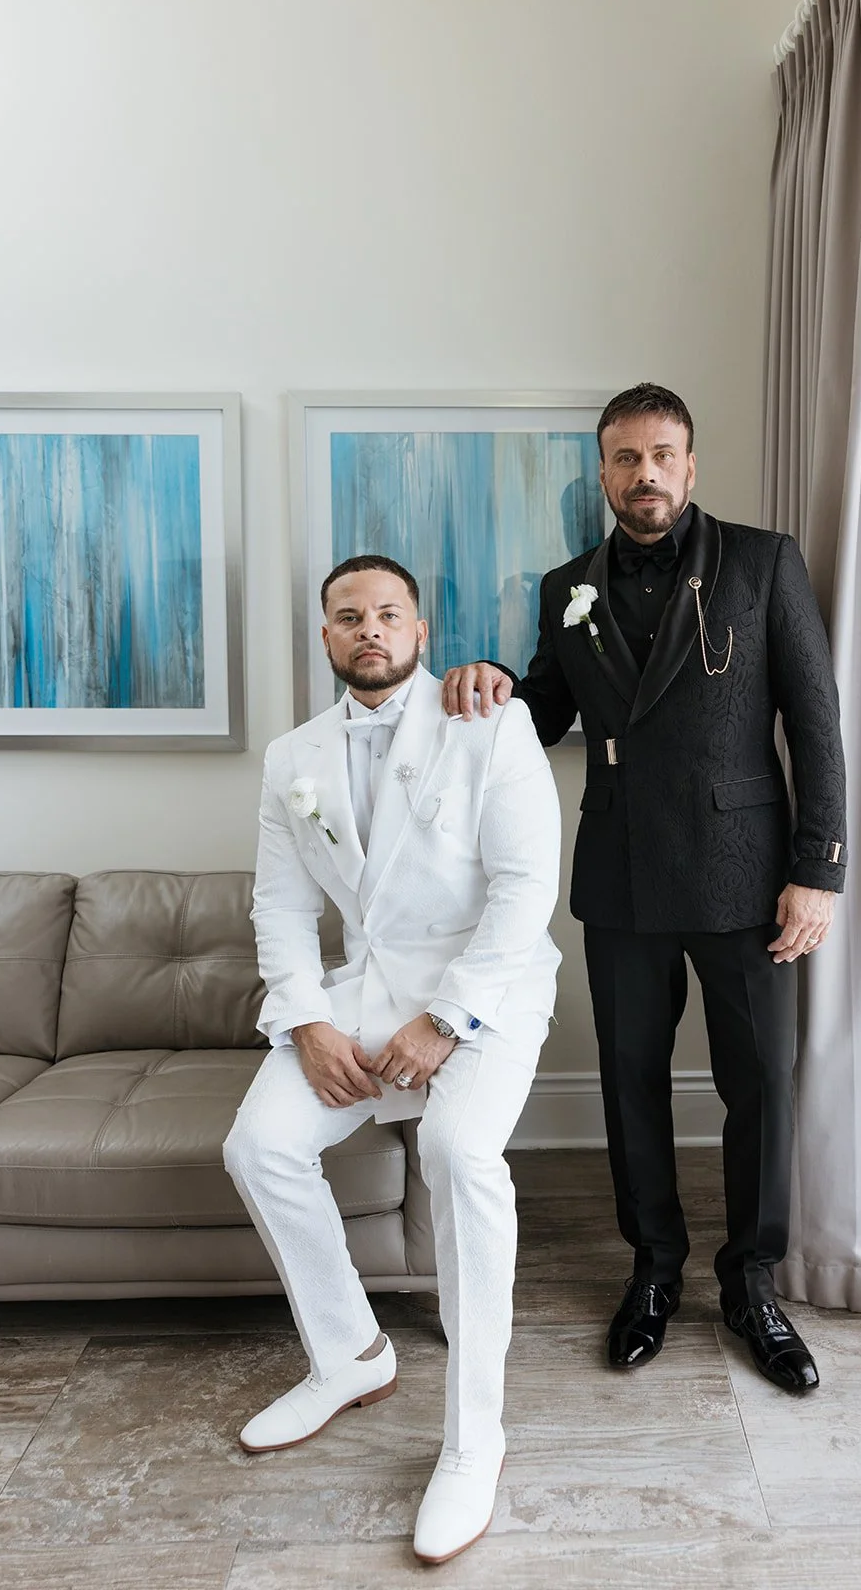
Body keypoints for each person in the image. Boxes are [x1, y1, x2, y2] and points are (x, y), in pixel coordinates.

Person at [442, 383, 846, 1395]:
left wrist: (816, 869)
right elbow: (543, 710)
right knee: (630, 1085)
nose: (644, 474)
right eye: (624, 458)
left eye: (661, 454)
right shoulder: (566, 584)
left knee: (758, 1082)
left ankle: (751, 1279)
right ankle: (653, 1268)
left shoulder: (760, 564)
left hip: (746, 879)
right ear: (603, 471)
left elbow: (814, 721)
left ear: (690, 464)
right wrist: (493, 683)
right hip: (619, 878)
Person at [224, 554, 561, 1565]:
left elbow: (522, 890)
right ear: (324, 637)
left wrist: (445, 1021)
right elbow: (280, 908)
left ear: (419, 629)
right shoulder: (292, 756)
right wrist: (303, 1021)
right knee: (259, 1144)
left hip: (486, 993)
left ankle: (473, 1437)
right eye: (346, 617)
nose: (367, 629)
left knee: (458, 1153)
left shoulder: (492, 721)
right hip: (358, 997)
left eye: (386, 613)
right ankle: (350, 1354)